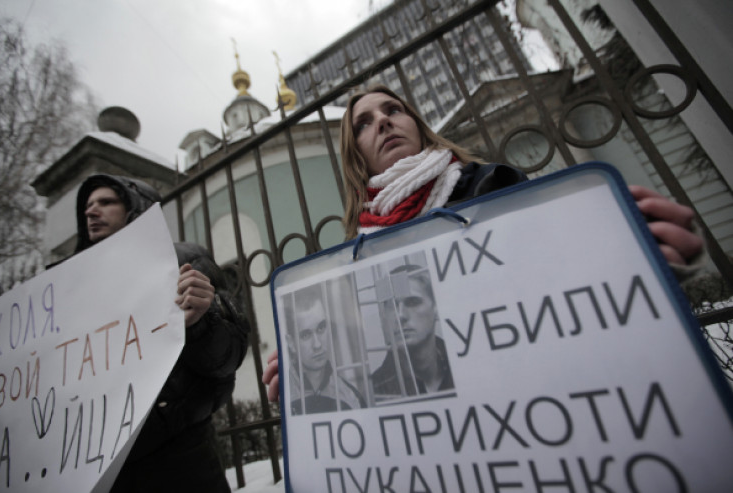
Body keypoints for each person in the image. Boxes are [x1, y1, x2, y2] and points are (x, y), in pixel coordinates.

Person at [263, 84, 705, 401]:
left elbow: (555, 276)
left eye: (393, 110)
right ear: (355, 154)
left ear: (418, 126)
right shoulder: (359, 253)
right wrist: (308, 370)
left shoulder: (490, 185)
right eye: (364, 123)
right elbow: (357, 350)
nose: (382, 120)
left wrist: (622, 253)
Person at [69, 174, 249, 493]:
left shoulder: (183, 261)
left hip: (180, 455)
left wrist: (202, 322)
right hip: (103, 465)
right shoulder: (71, 288)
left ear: (134, 207)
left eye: (106, 202)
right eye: (88, 206)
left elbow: (228, 356)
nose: (91, 211)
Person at [371, 264, 453, 398]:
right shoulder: (374, 391)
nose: (400, 315)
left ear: (436, 308)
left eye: (413, 302)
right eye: (392, 304)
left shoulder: (465, 365)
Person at [285, 283, 366, 414]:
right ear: (291, 343)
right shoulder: (282, 394)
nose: (317, 344)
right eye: (306, 335)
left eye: (321, 328)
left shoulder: (351, 397)